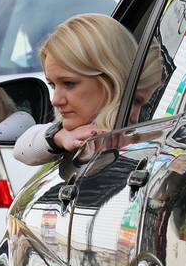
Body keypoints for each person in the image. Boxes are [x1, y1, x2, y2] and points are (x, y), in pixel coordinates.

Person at [13, 13, 138, 166]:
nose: (55, 100)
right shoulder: (79, 130)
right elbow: (21, 149)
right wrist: (59, 137)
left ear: (111, 80)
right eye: (52, 85)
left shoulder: (135, 135)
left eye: (69, 83)